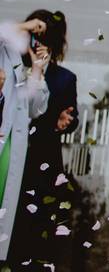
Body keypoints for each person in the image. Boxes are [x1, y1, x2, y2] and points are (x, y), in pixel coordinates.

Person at [7, 10, 78, 268]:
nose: (38, 46)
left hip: (42, 163)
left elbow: (72, 117)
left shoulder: (65, 78)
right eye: (34, 39)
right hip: (11, 159)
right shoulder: (10, 69)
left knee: (36, 232)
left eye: (45, 40)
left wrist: (63, 123)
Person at [0, 18, 50, 264]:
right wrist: (25, 25)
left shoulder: (20, 66)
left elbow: (36, 108)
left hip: (10, 152)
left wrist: (38, 69)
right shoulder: (3, 50)